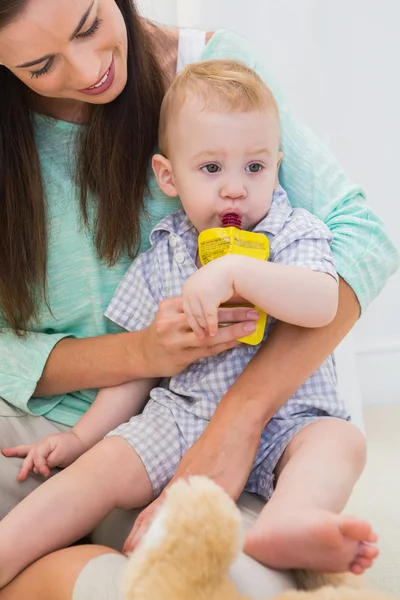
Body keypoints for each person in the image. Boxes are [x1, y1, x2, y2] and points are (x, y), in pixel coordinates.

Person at [0, 0, 398, 595]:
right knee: (91, 475)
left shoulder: (292, 230)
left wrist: (241, 275)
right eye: (40, 64)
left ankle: (290, 521)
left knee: (338, 443)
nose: (87, 71)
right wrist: (85, 436)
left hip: (276, 421)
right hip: (148, 415)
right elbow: (135, 374)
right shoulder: (165, 251)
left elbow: (338, 278)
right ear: (168, 176)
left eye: (89, 26)